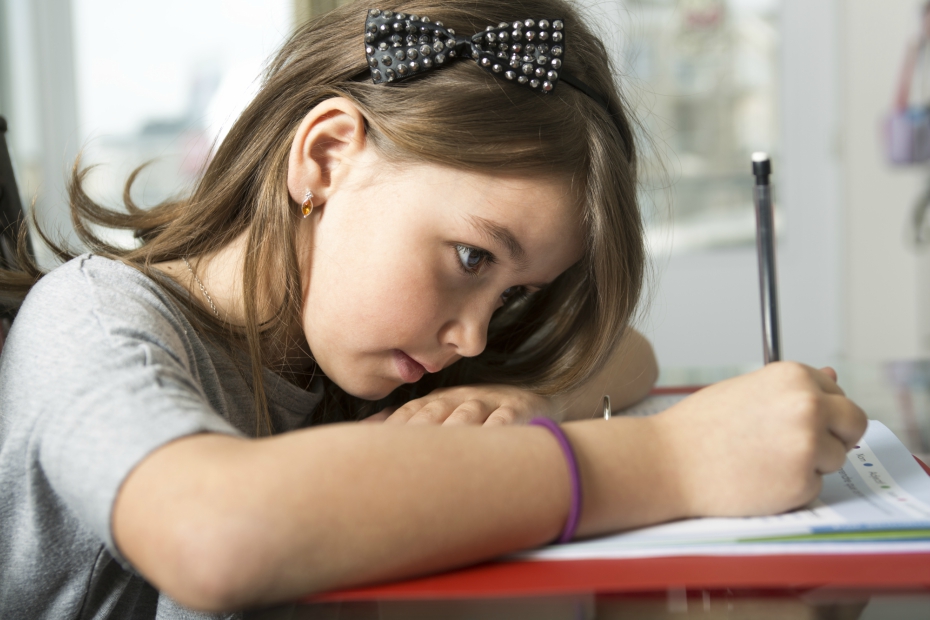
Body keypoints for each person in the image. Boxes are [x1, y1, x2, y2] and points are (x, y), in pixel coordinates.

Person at [0, 0, 867, 617]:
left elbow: (622, 354)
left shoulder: (360, 349)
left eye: (514, 293)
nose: (476, 335)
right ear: (330, 155)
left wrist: (534, 400)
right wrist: (672, 459)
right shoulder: (92, 325)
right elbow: (213, 533)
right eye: (470, 258)